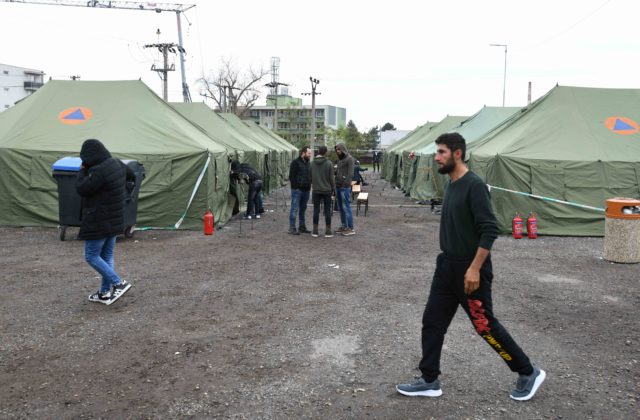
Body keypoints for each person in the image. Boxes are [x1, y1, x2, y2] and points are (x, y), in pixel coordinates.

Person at [396, 132, 545, 401]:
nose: (436, 157)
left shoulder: (474, 185)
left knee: (484, 325)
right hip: (446, 266)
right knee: (432, 322)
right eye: (437, 152)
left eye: (441, 152)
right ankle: (429, 380)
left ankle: (527, 371)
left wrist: (475, 268)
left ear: (457, 154)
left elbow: (490, 229)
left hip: (470, 269)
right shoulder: (452, 184)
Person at [76, 139, 134, 303]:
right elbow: (132, 175)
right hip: (115, 218)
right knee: (106, 256)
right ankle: (104, 293)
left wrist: (82, 170)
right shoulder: (117, 163)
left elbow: (82, 188)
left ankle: (118, 283)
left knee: (91, 256)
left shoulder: (98, 171)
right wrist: (125, 193)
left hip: (98, 220)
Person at [310, 145, 335, 238]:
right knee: (327, 210)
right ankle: (328, 231)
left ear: (318, 151)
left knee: (316, 210)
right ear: (326, 152)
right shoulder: (329, 163)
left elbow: (309, 176)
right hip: (327, 190)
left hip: (316, 190)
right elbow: (332, 178)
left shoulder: (311, 163)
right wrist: (333, 188)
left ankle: (315, 231)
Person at [288, 146, 312, 235]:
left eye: (310, 153)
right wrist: (296, 187)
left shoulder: (308, 163)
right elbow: (291, 176)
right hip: (297, 190)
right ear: (303, 153)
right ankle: (292, 228)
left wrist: (309, 186)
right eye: (309, 153)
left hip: (306, 190)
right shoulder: (295, 163)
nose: (310, 155)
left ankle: (302, 227)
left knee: (303, 209)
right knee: (294, 209)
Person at [334, 143, 355, 236]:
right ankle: (344, 226)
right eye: (336, 150)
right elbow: (338, 172)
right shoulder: (340, 160)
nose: (337, 151)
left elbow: (350, 174)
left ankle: (350, 228)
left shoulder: (350, 159)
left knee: (346, 207)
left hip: (344, 187)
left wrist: (345, 184)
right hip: (338, 186)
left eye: (339, 149)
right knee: (341, 207)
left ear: (343, 149)